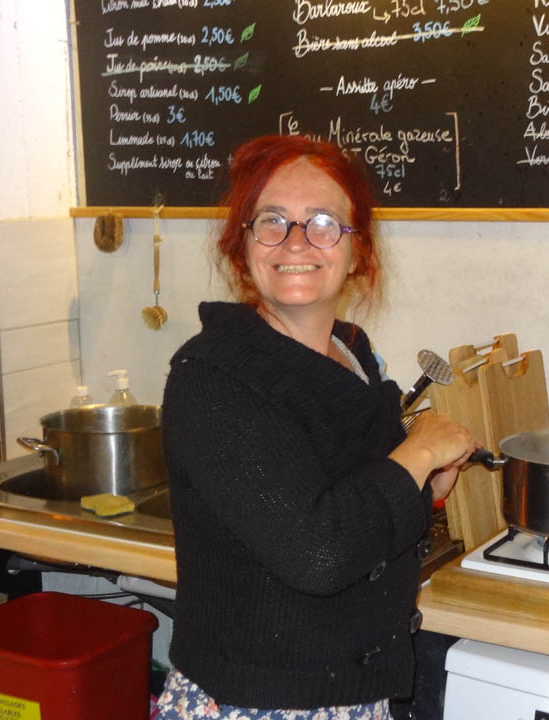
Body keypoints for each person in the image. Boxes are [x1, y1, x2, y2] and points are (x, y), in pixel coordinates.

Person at [155, 135, 478, 719]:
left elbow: (353, 499)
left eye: (324, 222)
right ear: (243, 246)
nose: (296, 241)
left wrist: (424, 489)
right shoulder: (211, 377)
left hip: (354, 697)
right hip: (255, 704)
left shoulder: (353, 354)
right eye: (272, 220)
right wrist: (419, 452)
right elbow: (318, 551)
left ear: (357, 251)